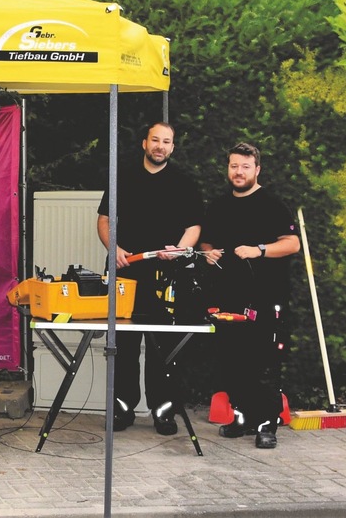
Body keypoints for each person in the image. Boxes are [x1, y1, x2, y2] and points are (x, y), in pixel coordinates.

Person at [96, 121, 203, 435]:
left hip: (167, 276)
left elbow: (195, 226)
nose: (160, 146)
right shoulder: (122, 177)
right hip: (126, 272)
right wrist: (112, 247)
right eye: (155, 140)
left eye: (166, 141)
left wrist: (182, 250)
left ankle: (164, 413)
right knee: (123, 346)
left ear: (172, 147)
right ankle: (122, 410)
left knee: (164, 348)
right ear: (144, 143)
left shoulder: (184, 182)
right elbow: (104, 220)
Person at [199, 141, 299, 449]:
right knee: (231, 362)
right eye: (233, 166)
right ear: (227, 169)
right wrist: (208, 253)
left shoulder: (272, 204)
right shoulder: (218, 206)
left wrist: (260, 250)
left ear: (257, 170)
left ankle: (267, 423)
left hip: (265, 299)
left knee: (261, 363)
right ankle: (241, 418)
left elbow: (293, 243)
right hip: (228, 298)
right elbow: (205, 242)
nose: (238, 172)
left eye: (245, 167)